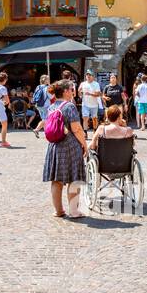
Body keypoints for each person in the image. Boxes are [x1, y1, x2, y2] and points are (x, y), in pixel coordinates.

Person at [42, 80, 87, 218]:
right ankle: (74, 211)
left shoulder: (51, 107)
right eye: (71, 89)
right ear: (66, 91)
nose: (73, 92)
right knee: (74, 179)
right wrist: (85, 145)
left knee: (56, 180)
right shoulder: (69, 107)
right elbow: (77, 129)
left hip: (54, 146)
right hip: (70, 146)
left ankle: (59, 210)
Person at [78, 71, 103, 136]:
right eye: (87, 75)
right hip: (85, 104)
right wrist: (79, 93)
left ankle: (95, 130)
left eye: (90, 75)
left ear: (93, 77)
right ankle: (85, 132)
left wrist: (90, 94)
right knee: (85, 117)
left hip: (94, 104)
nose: (88, 76)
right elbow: (79, 92)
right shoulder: (83, 84)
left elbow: (98, 94)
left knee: (94, 118)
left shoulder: (96, 84)